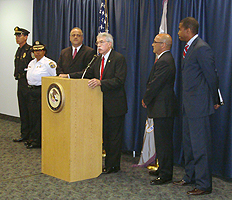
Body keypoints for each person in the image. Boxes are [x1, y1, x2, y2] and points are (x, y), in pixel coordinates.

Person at [66, 32, 127, 174]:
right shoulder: (97, 59)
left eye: (101, 42)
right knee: (105, 136)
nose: (98, 45)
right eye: (97, 43)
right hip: (99, 105)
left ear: (109, 44)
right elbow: (86, 73)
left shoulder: (118, 58)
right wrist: (68, 76)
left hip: (115, 105)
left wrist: (101, 82)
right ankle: (107, 163)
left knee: (114, 137)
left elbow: (119, 80)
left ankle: (113, 165)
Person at [173, 17, 220, 195]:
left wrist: (215, 100)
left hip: (199, 107)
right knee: (189, 145)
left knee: (201, 147)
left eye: (179, 29)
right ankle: (189, 176)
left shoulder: (202, 48)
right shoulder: (189, 48)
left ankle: (203, 184)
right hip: (188, 106)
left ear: (188, 30)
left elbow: (211, 76)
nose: (178, 33)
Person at [142, 34, 176, 185]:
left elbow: (156, 84)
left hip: (164, 107)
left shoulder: (165, 61)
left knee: (164, 142)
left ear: (163, 44)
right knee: (161, 141)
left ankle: (166, 174)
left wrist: (146, 99)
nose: (152, 45)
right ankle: (162, 167)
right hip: (161, 107)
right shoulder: (163, 59)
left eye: (155, 42)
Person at [25, 41, 57, 148]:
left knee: (39, 117)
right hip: (31, 91)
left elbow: (55, 77)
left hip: (41, 91)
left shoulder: (49, 63)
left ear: (44, 51)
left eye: (39, 50)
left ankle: (38, 141)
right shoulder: (31, 63)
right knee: (32, 116)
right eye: (35, 51)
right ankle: (33, 137)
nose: (37, 53)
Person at [13, 26, 33, 143]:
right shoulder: (19, 50)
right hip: (20, 82)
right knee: (22, 108)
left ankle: (31, 135)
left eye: (19, 35)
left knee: (29, 109)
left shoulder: (30, 50)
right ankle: (24, 133)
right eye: (16, 35)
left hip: (27, 82)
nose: (17, 37)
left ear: (25, 37)